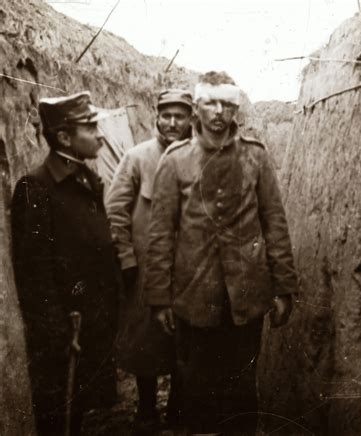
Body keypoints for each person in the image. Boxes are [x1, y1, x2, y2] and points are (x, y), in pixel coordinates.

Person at [144, 71, 298, 435]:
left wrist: (284, 287)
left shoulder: (255, 158)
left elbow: (274, 222)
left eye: (226, 104)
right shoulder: (175, 160)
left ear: (235, 108)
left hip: (246, 298)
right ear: (197, 107)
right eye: (210, 103)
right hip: (194, 298)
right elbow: (161, 233)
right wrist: (158, 298)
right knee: (197, 395)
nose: (218, 112)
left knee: (241, 396)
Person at [10, 91, 121, 436]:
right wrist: (59, 337)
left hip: (91, 326)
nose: (100, 134)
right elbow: (34, 275)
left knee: (82, 414)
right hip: (65, 336)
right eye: (90, 127)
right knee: (59, 417)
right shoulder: (37, 187)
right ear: (63, 137)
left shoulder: (87, 181)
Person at [105, 89, 193, 431]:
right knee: (146, 339)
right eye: (166, 115)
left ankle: (177, 408)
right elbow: (115, 211)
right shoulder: (137, 157)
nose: (172, 122)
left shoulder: (199, 157)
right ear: (157, 117)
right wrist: (126, 257)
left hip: (187, 269)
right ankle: (145, 409)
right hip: (145, 269)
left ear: (191, 119)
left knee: (184, 339)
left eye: (180, 116)